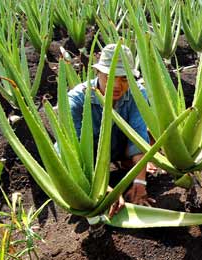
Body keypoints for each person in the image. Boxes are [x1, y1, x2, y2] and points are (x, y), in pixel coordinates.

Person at [67, 44, 155, 216]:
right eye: (110, 76)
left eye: (124, 79)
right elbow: (75, 153)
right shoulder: (77, 100)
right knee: (63, 155)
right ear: (97, 73)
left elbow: (138, 137)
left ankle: (129, 165)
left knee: (150, 134)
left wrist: (140, 182)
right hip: (88, 159)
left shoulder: (137, 93)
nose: (116, 85)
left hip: (118, 146)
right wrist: (104, 190)